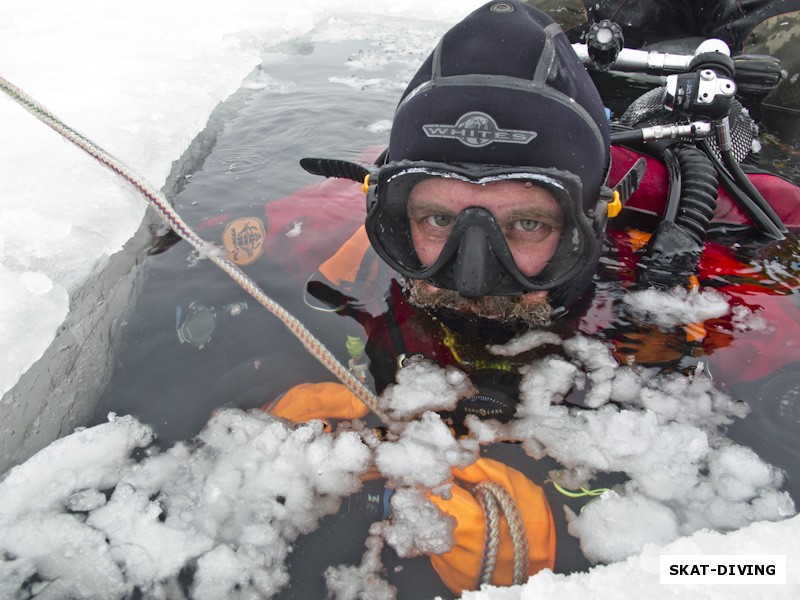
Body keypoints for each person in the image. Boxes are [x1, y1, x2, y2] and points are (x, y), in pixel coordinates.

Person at [192, 1, 800, 596]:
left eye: (529, 225)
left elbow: (762, 567)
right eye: (435, 219)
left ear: (591, 220)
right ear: (393, 216)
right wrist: (273, 375)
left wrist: (591, 564)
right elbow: (206, 245)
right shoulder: (338, 230)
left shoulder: (687, 284)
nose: (472, 272)